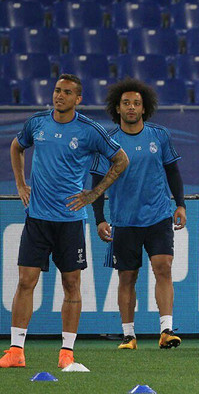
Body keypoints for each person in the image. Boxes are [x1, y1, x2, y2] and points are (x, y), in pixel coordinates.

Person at [0, 75, 129, 369]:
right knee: (25, 281)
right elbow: (16, 147)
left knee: (71, 285)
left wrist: (94, 193)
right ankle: (16, 351)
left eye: (67, 92)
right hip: (37, 219)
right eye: (57, 90)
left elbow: (121, 160)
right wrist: (20, 185)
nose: (59, 96)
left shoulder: (89, 130)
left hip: (70, 221)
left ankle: (66, 353)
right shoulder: (37, 124)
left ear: (78, 99)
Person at [90, 78, 186, 350]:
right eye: (126, 103)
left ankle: (166, 330)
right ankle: (128, 335)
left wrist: (180, 204)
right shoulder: (108, 143)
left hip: (157, 216)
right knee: (127, 277)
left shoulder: (159, 135)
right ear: (117, 109)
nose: (131, 108)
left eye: (136, 103)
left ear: (144, 108)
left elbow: (173, 172)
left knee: (163, 267)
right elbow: (96, 182)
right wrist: (99, 218)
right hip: (124, 220)